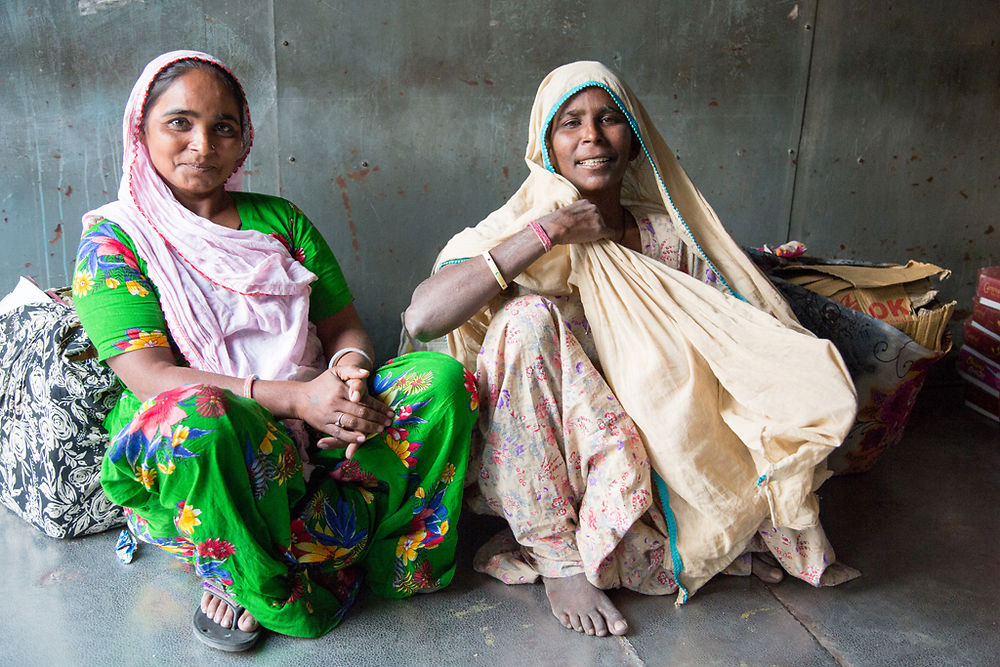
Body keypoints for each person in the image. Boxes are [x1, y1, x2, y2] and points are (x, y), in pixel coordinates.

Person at [405, 61, 859, 638]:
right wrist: (551, 232)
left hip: (655, 438)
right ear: (545, 143)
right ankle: (561, 560)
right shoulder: (516, 227)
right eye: (570, 122)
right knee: (524, 321)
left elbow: (730, 331)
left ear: (635, 136)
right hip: (557, 449)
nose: (592, 136)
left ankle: (685, 538)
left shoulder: (668, 237)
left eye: (610, 119)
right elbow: (423, 317)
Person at [72, 50, 477, 651]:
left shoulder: (280, 222)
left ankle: (386, 559)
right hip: (212, 447)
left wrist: (350, 380)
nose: (202, 144)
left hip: (317, 425)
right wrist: (297, 400)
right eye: (179, 122)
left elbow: (344, 326)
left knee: (443, 381)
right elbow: (150, 377)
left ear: (244, 140)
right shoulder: (114, 241)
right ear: (141, 131)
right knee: (196, 416)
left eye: (223, 127)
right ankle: (254, 576)